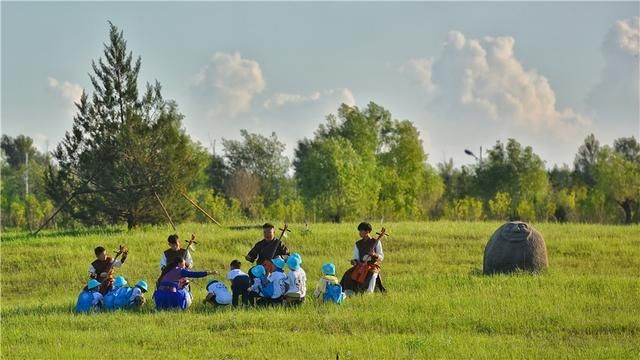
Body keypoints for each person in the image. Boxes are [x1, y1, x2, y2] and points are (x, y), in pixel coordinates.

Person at [340, 222, 386, 295]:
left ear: (367, 231)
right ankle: (348, 292)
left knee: (372, 274)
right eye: (359, 231)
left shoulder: (376, 242)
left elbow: (381, 257)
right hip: (361, 265)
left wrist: (374, 254)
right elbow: (356, 258)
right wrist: (354, 261)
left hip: (372, 265)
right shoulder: (358, 243)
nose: (359, 233)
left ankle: (368, 293)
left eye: (361, 231)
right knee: (348, 273)